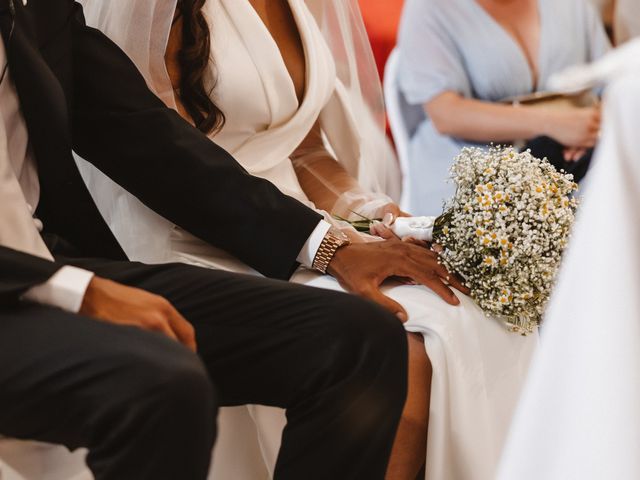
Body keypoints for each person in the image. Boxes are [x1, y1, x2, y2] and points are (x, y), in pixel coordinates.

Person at [77, 1, 537, 479]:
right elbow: (169, 168)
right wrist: (330, 247)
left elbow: (305, 150)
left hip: (301, 222)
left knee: (477, 306)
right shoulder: (157, 11)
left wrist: (382, 217)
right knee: (411, 345)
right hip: (204, 238)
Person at [0, 0, 412, 479]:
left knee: (360, 340)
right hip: (21, 284)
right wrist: (75, 290)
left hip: (54, 262)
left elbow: (141, 134)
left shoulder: (37, 8)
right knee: (161, 383)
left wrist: (326, 245)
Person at [398, 0, 611, 214]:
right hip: (474, 160)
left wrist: (591, 130)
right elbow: (446, 114)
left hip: (576, 153)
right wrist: (553, 124)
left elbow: (612, 81)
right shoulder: (429, 7)